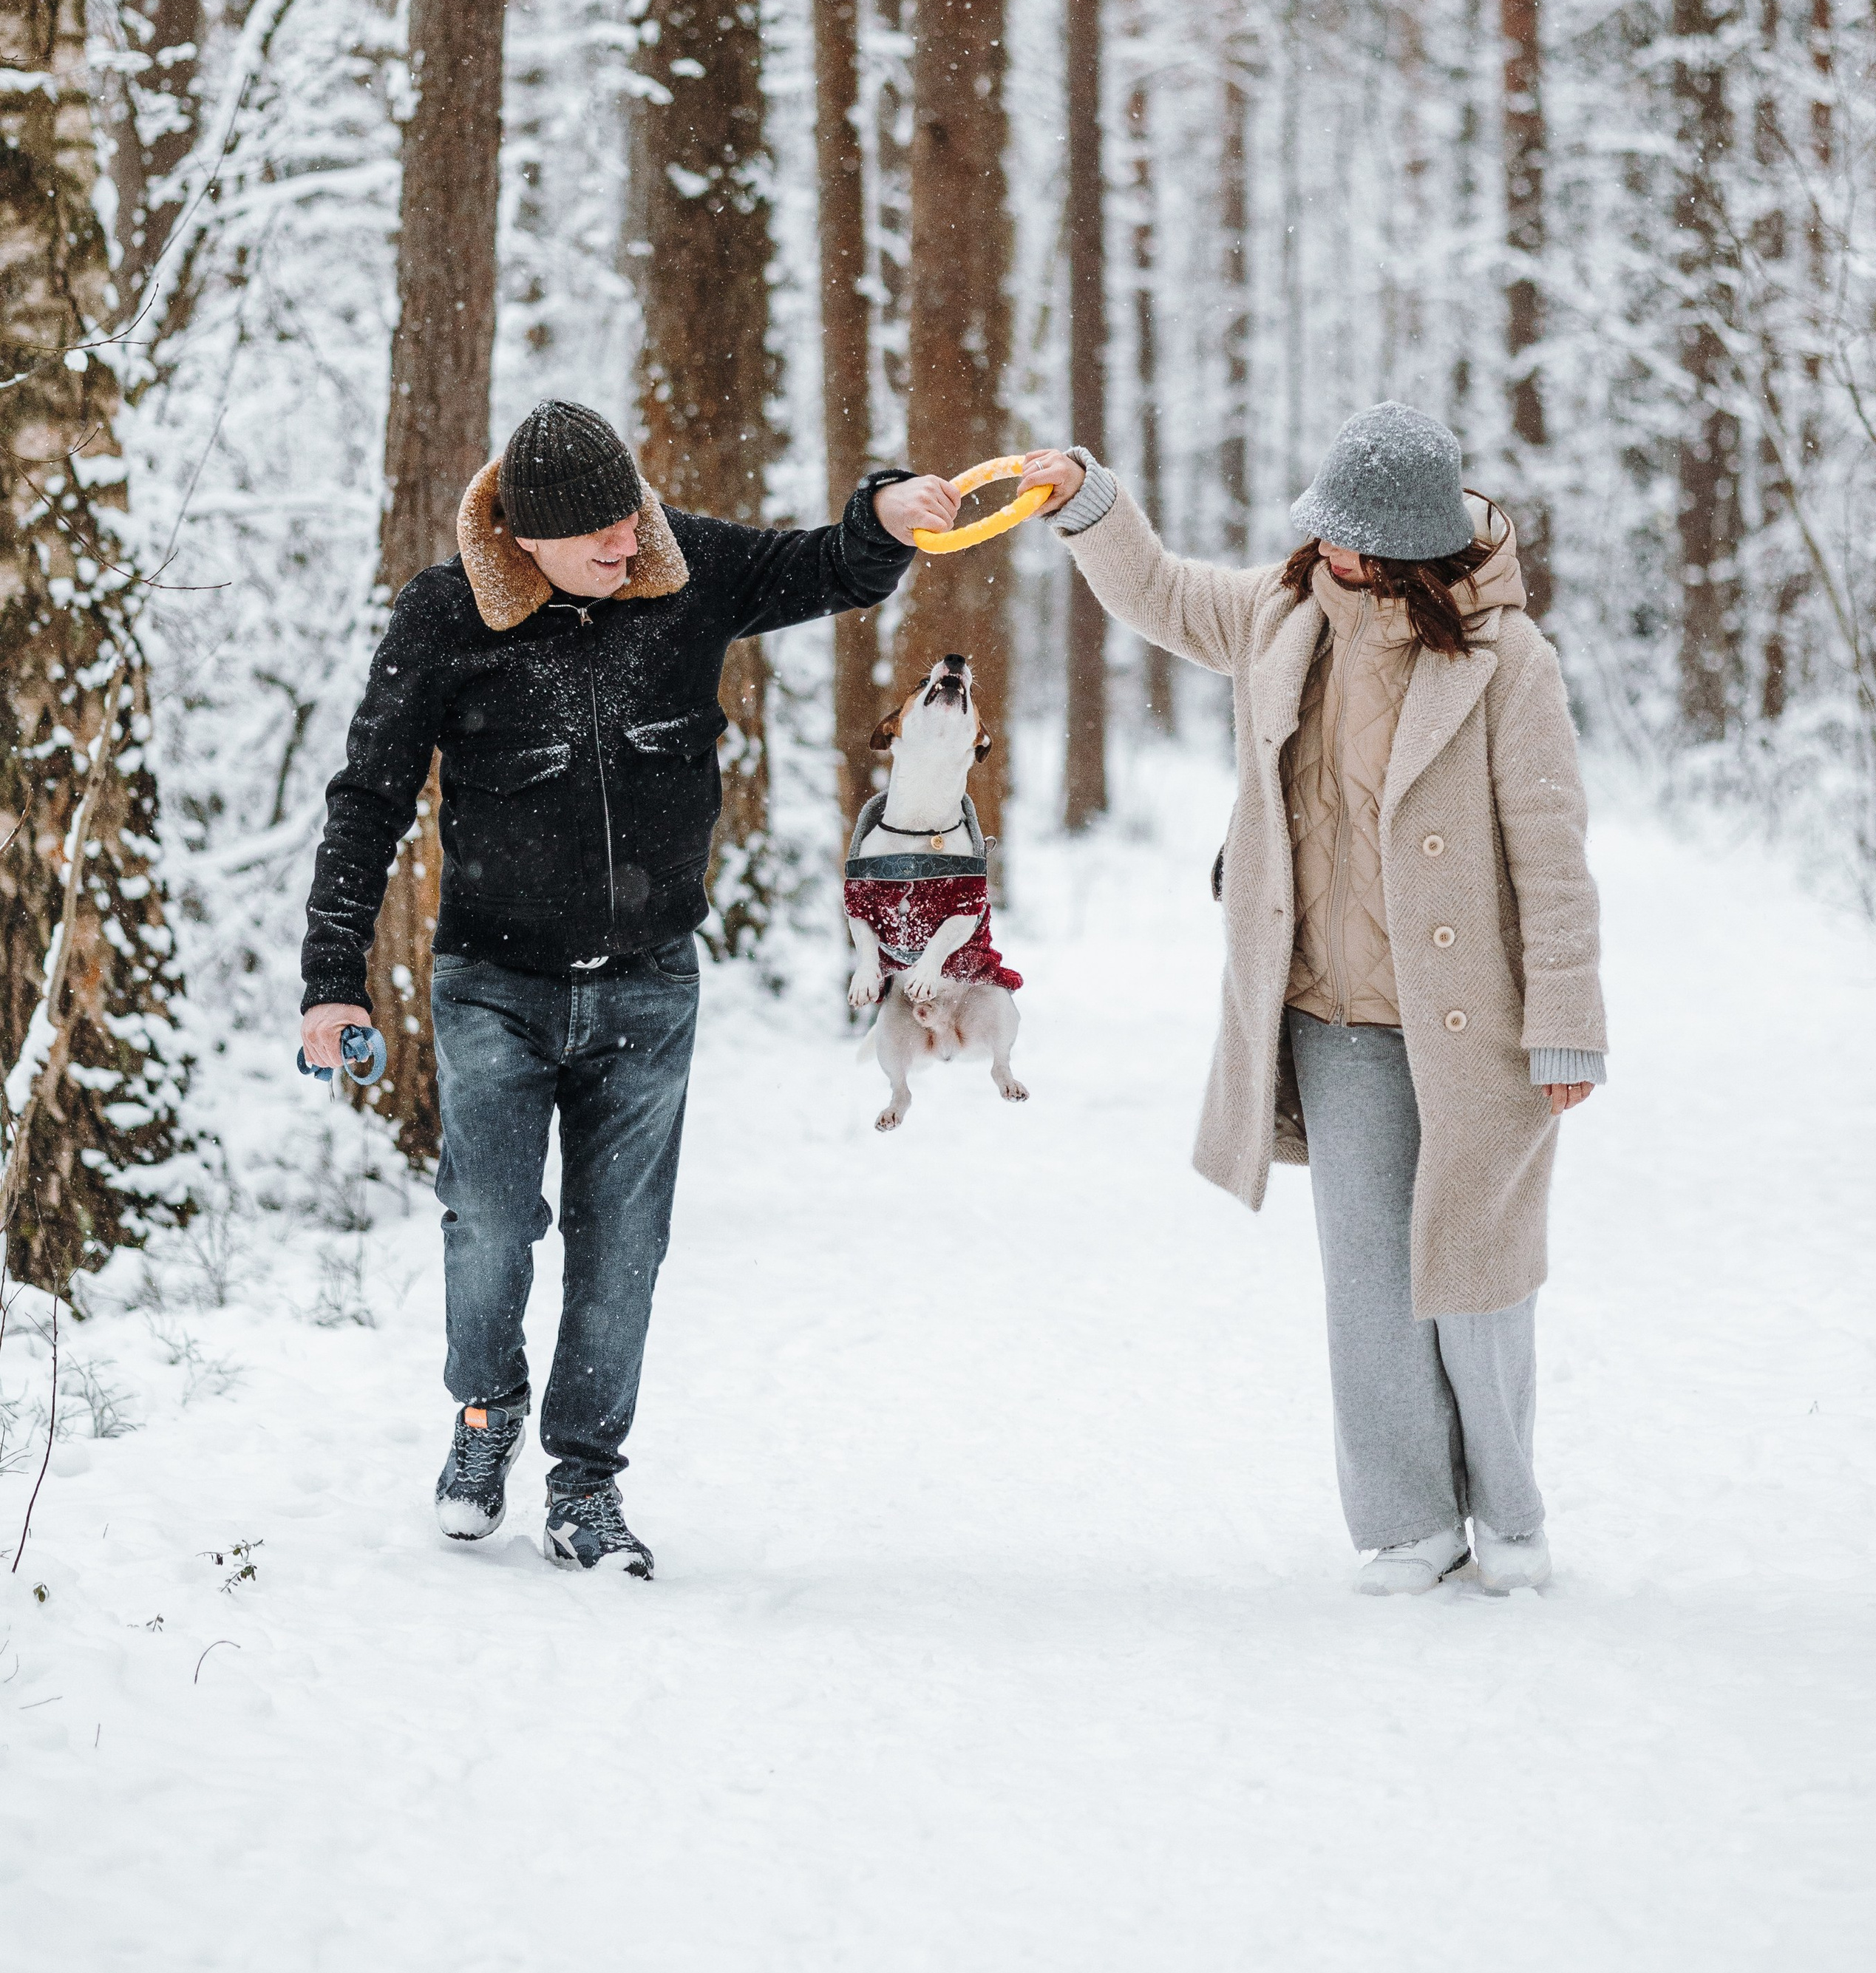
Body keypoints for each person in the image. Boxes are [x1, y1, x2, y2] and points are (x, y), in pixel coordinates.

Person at [300, 400, 957, 1575]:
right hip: (493, 985)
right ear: (527, 539)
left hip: (649, 987)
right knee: (489, 1226)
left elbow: (832, 567)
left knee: (622, 1245)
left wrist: (887, 511)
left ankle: (586, 1484)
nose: (628, 540)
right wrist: (331, 978)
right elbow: (369, 797)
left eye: (631, 513)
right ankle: (484, 1413)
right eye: (598, 530)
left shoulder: (682, 563)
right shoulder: (446, 613)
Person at [1019, 405, 1605, 1595]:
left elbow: (1552, 854)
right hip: (1333, 1019)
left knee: (1479, 1278)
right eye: (1324, 527)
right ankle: (1409, 1521)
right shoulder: (1284, 616)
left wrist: (1566, 1023)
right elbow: (1161, 592)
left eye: (1352, 536)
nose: (1329, 548)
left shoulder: (1509, 661)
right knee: (1370, 1286)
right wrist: (1087, 500)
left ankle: (1510, 1513)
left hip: (1476, 1025)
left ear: (1411, 546)